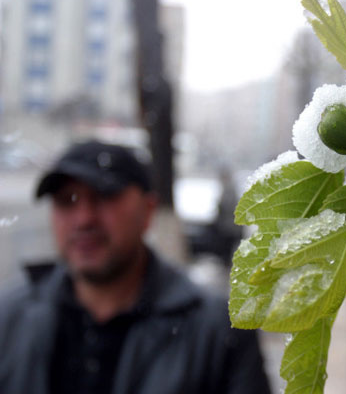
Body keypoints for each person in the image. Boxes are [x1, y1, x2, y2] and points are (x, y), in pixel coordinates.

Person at [0, 140, 272, 394]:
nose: (83, 219)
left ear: (148, 210)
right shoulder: (10, 317)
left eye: (104, 196)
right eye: (66, 200)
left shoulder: (217, 330)